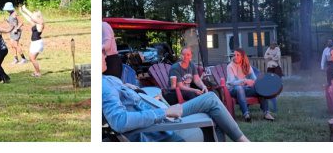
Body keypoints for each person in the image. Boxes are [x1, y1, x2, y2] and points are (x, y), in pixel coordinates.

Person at [102, 52, 249, 142]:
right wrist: (165, 112)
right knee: (210, 103)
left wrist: (141, 93)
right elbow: (119, 121)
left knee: (210, 99)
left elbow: (197, 79)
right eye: (101, 52)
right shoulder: (104, 85)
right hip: (162, 122)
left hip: (160, 107)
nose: (105, 56)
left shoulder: (110, 80)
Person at [227, 48, 273, 121]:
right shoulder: (230, 66)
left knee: (259, 88)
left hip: (244, 89)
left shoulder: (246, 65)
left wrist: (256, 83)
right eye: (234, 55)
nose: (235, 57)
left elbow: (254, 79)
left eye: (238, 55)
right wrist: (245, 81)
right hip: (233, 89)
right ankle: (246, 114)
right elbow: (232, 82)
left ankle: (266, 113)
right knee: (239, 88)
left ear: (242, 57)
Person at [20, 5, 45, 77]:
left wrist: (25, 9)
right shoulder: (36, 23)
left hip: (37, 43)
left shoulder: (40, 22)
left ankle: (38, 73)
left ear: (37, 16)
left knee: (32, 58)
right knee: (32, 58)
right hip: (34, 42)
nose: (33, 16)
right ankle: (36, 72)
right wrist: (22, 12)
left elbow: (32, 17)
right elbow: (29, 18)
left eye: (34, 14)